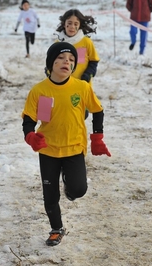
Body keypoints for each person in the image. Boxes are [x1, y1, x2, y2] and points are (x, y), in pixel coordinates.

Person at [22, 42, 111, 246]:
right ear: (50, 63)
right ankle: (56, 228)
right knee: (50, 194)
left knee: (78, 189)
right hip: (49, 149)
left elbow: (97, 110)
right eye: (61, 58)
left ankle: (69, 187)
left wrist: (97, 137)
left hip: (73, 147)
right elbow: (30, 119)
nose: (67, 62)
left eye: (71, 60)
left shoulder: (81, 87)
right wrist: (30, 136)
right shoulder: (40, 91)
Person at [54, 9, 99, 119]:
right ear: (64, 24)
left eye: (75, 24)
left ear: (80, 25)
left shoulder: (86, 42)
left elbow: (94, 61)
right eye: (69, 23)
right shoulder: (58, 43)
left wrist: (88, 74)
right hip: (62, 87)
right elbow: (52, 63)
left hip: (81, 86)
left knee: (80, 115)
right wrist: (49, 71)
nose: (72, 27)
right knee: (63, 115)